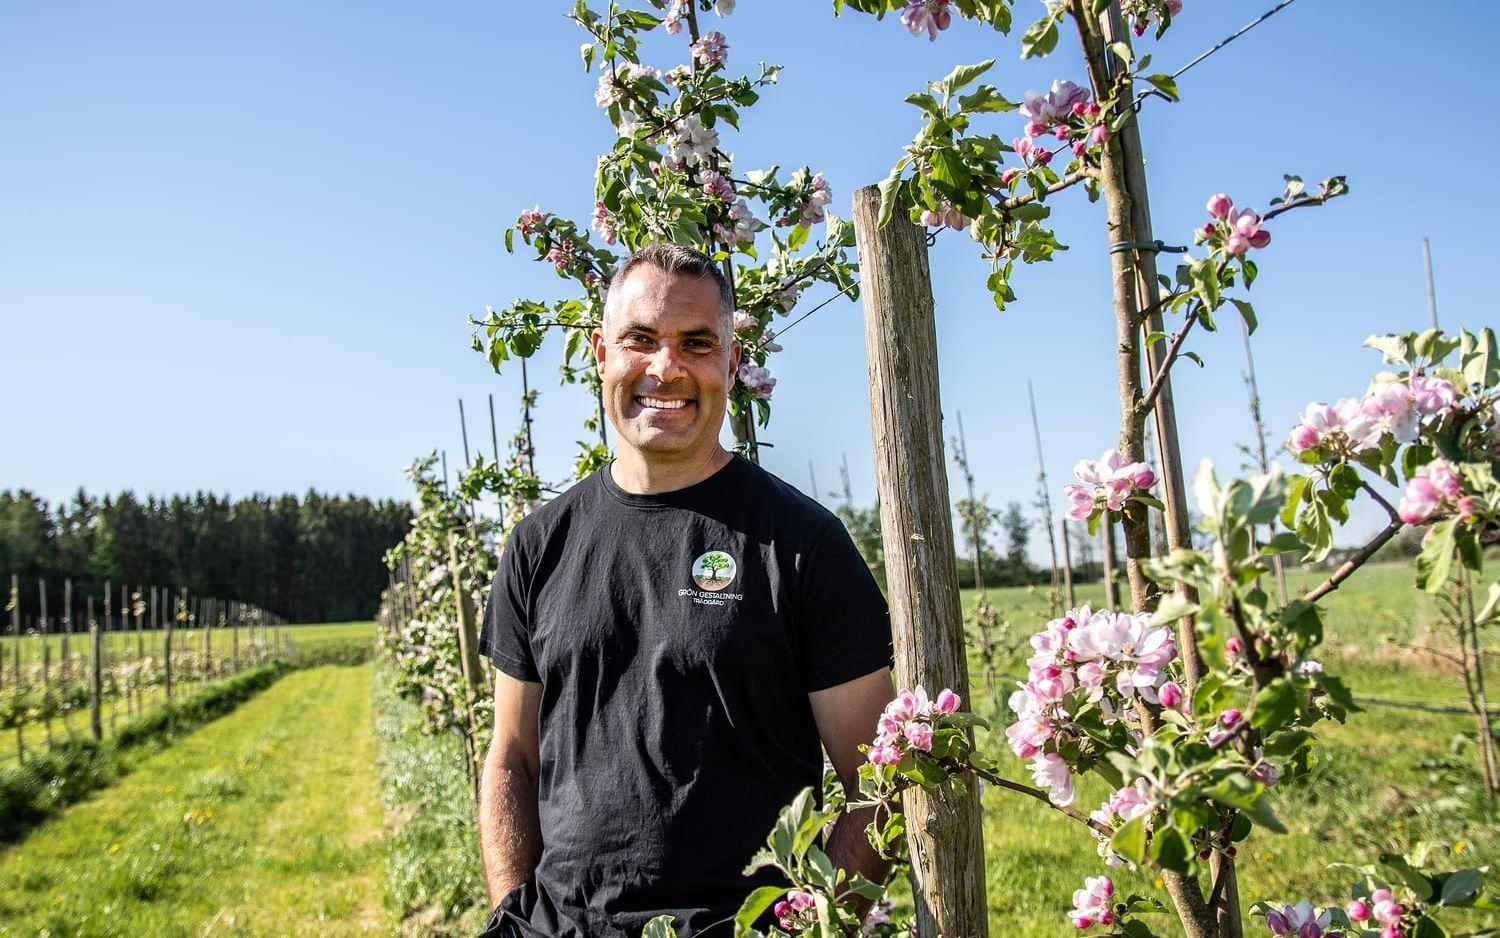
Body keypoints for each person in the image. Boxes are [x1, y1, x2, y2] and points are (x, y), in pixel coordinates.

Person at [476, 242, 894, 937]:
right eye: (640, 339)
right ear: (600, 354)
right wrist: (510, 912)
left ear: (731, 364)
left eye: (696, 343)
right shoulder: (537, 546)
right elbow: (511, 757)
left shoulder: (801, 546)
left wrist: (809, 928)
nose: (665, 367)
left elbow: (879, 785)